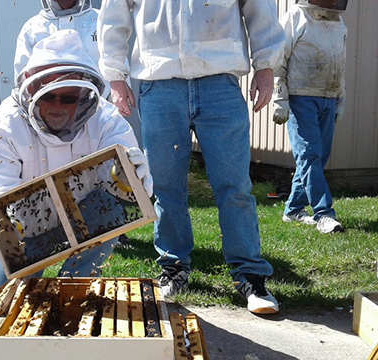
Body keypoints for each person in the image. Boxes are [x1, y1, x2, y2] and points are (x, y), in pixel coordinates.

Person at [97, 0, 286, 314]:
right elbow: (113, 15)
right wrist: (116, 77)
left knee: (235, 185)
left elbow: (259, 8)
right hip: (159, 82)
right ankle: (173, 266)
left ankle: (250, 275)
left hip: (219, 80)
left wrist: (265, 67)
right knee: (166, 187)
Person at [0, 29, 152, 297]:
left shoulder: (106, 120)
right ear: (31, 91)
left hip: (87, 216)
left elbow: (123, 180)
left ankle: (72, 292)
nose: (58, 106)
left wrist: (133, 178)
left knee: (108, 210)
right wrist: (8, 226)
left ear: (84, 97)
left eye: (69, 97)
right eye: (48, 96)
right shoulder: (4, 128)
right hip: (29, 223)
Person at [273, 0, 347, 234]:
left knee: (317, 157)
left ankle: (293, 209)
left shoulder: (338, 20)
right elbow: (278, 58)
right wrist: (280, 98)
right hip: (300, 97)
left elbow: (340, 63)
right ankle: (323, 213)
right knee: (309, 154)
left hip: (328, 96)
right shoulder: (296, 16)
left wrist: (340, 100)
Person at [13, 0, 99, 82]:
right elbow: (22, 79)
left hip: (98, 96)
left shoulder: (101, 21)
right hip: (46, 97)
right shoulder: (32, 29)